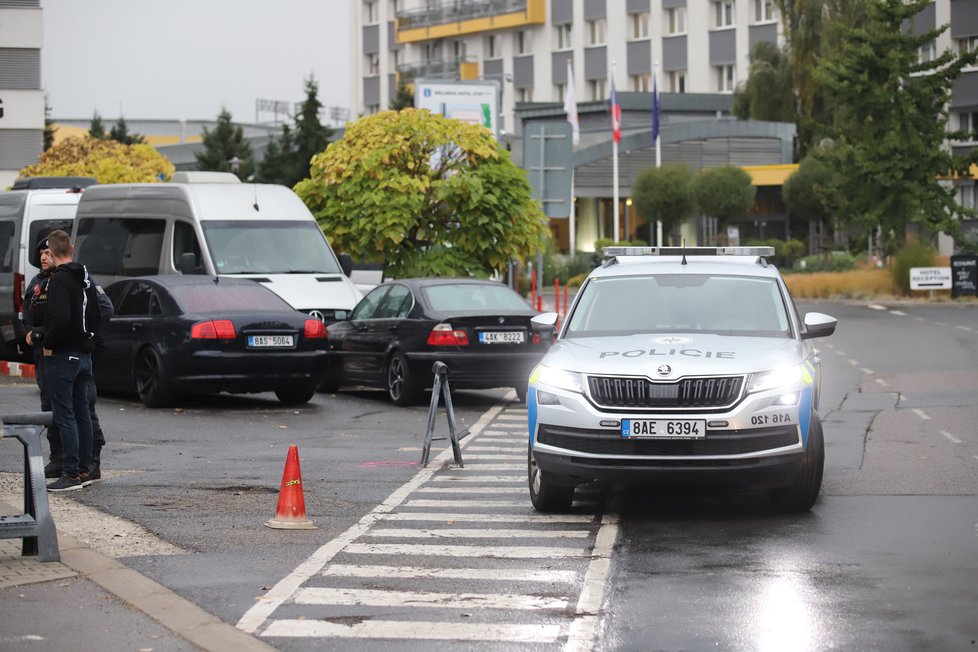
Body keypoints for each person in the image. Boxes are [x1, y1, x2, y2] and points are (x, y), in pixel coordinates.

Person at [23, 235, 113, 483]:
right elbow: (28, 313)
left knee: (76, 410)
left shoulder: (73, 279)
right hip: (56, 353)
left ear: (55, 252)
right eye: (40, 253)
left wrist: (53, 339)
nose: (43, 256)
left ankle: (80, 466)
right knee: (53, 408)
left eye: (46, 252)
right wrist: (33, 332)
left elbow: (100, 310)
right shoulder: (40, 282)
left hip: (65, 351)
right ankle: (62, 460)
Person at [39, 230, 102, 492]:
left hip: (64, 355)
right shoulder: (84, 277)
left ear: (52, 253)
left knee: (65, 415)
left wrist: (47, 342)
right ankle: (86, 468)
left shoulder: (59, 282)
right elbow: (97, 312)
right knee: (82, 413)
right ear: (72, 248)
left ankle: (71, 474)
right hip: (85, 352)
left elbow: (61, 319)